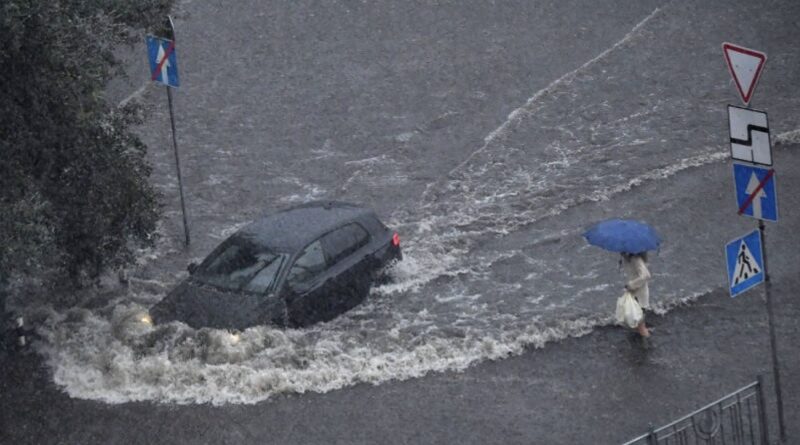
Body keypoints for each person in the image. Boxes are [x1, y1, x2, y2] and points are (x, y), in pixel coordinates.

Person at [621, 252, 651, 338]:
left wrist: (631, 285)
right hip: (635, 294)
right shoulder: (629, 259)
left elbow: (646, 276)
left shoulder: (636, 259)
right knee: (639, 323)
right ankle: (643, 338)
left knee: (640, 326)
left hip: (639, 296)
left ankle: (646, 345)